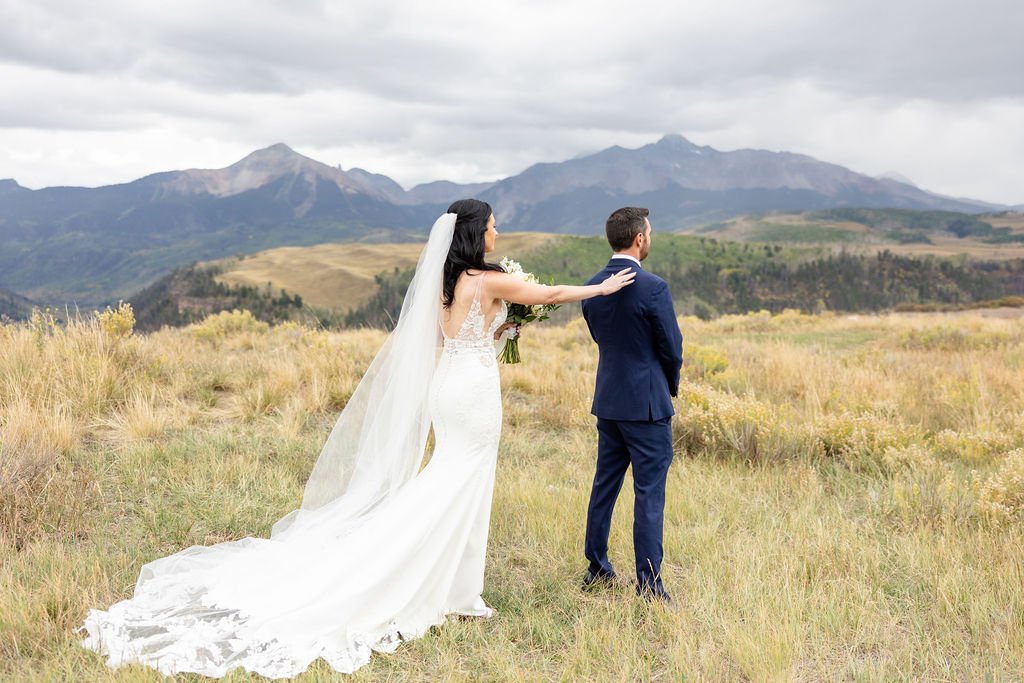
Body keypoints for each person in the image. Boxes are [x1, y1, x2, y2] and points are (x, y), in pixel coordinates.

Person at [80, 198, 635, 678]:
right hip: (471, 395)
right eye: (492, 224)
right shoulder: (488, 279)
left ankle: (461, 590)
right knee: (456, 482)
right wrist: (602, 287)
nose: (497, 230)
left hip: (453, 386)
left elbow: (455, 342)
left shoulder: (449, 285)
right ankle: (447, 590)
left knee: (454, 478)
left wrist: (499, 333)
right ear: (475, 232)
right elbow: (550, 292)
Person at [579, 206, 683, 605]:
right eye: (650, 233)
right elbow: (671, 347)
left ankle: (597, 567)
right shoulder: (653, 287)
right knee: (649, 493)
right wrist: (668, 385)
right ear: (639, 238)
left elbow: (603, 341)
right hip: (647, 406)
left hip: (609, 400)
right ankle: (650, 584)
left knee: (605, 484)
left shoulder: (591, 288)